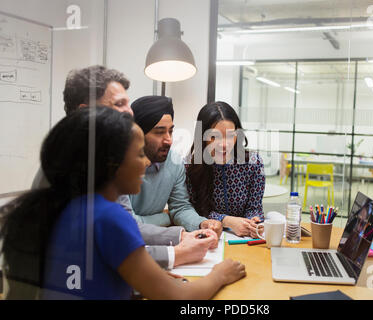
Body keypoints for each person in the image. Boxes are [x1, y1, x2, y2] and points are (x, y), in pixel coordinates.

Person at [0, 107, 245, 300]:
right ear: (111, 164)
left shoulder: (68, 209)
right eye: (139, 154)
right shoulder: (109, 217)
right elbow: (178, 296)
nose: (147, 164)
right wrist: (219, 275)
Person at [30, 65, 216, 270]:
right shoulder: (71, 166)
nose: (129, 112)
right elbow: (117, 241)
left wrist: (182, 235)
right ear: (85, 114)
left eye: (127, 103)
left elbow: (121, 231)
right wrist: (176, 253)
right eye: (119, 104)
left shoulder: (101, 160)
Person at [128, 96, 223, 236]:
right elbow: (127, 223)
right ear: (138, 134)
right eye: (159, 132)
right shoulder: (119, 165)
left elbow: (180, 208)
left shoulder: (174, 161)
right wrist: (166, 217)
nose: (169, 140)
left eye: (171, 131)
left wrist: (202, 223)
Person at [185, 101, 265, 238]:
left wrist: (253, 222)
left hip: (244, 239)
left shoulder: (253, 163)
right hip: (209, 238)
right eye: (214, 137)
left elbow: (254, 207)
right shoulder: (190, 166)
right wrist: (227, 221)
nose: (224, 145)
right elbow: (192, 211)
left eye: (230, 135)